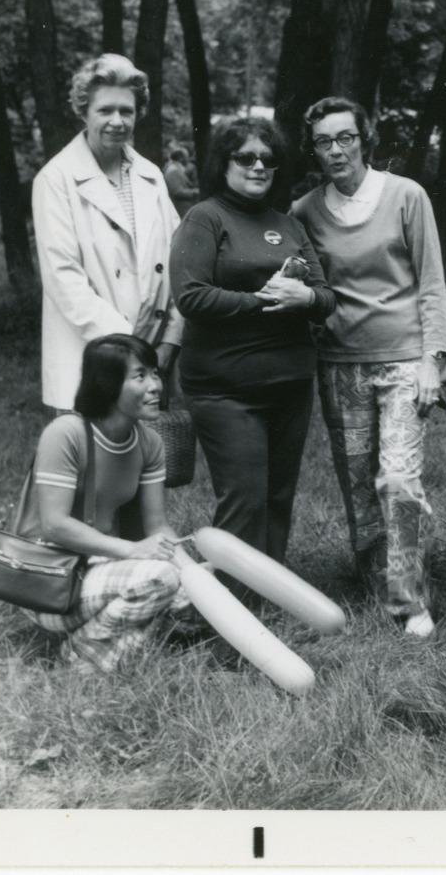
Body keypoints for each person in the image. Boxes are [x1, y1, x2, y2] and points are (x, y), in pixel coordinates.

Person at [291, 96, 446, 637]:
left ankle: (409, 597)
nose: (336, 150)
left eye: (346, 138)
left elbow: (432, 281)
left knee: (399, 480)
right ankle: (372, 579)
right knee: (357, 481)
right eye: (323, 141)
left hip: (405, 360)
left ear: (365, 139)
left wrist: (435, 358)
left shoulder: (406, 196)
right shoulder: (305, 210)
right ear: (313, 150)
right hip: (340, 364)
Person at [169, 117, 335, 586]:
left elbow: (326, 297)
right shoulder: (205, 218)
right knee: (244, 497)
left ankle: (269, 597)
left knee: (278, 498)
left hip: (290, 383)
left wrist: (306, 299)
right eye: (246, 157)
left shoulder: (288, 224)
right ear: (224, 163)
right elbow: (191, 297)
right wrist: (262, 302)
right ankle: (233, 618)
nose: (258, 165)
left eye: (268, 158)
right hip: (224, 388)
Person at [32, 53, 183, 412]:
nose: (117, 121)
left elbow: (180, 262)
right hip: (91, 359)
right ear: (83, 111)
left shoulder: (151, 176)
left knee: (148, 465)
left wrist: (169, 344)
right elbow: (63, 279)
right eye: (105, 111)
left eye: (126, 111)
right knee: (90, 464)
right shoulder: (55, 180)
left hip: (152, 361)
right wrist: (131, 350)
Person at [24, 334, 183, 671]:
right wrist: (133, 551)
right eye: (140, 376)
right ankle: (81, 655)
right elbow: (54, 525)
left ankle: (110, 648)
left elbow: (157, 528)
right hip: (49, 580)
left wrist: (194, 574)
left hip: (102, 568)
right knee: (163, 581)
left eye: (155, 373)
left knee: (190, 594)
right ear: (108, 384)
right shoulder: (66, 433)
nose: (156, 385)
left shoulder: (149, 442)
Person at [163, 146, 200, 217]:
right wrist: (196, 192)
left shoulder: (177, 169)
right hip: (180, 211)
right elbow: (177, 192)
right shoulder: (173, 171)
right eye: (187, 157)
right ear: (180, 158)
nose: (188, 159)